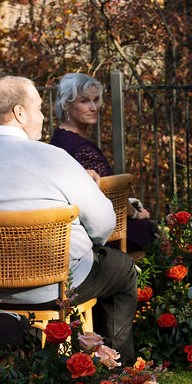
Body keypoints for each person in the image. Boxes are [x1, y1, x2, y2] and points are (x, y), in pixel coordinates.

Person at [0, 77, 139, 361]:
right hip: (57, 288)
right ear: (20, 113)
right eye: (40, 109)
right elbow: (104, 226)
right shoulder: (55, 159)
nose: (43, 117)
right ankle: (117, 370)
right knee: (123, 268)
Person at [49, 73, 155, 252]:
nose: (94, 107)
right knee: (149, 230)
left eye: (96, 100)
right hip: (91, 235)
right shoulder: (80, 148)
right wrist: (137, 214)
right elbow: (111, 195)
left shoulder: (60, 135)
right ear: (67, 105)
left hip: (75, 227)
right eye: (85, 101)